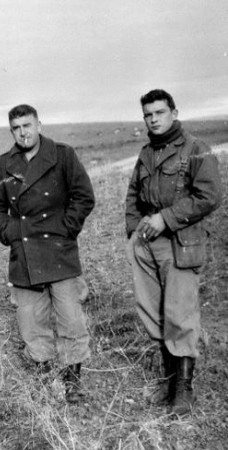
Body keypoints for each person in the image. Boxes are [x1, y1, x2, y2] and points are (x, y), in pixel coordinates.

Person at [0, 104, 95, 403]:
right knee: (32, 322)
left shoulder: (63, 154)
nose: (23, 133)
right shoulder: (3, 164)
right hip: (25, 255)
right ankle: (45, 378)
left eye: (27, 125)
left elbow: (84, 196)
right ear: (12, 131)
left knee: (71, 319)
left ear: (39, 124)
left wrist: (66, 228)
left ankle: (73, 381)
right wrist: (11, 234)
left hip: (59, 251)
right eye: (16, 128)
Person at [125, 89, 222, 416]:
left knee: (179, 313)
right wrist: (133, 233)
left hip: (181, 242)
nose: (153, 119)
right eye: (148, 115)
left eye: (159, 112)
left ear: (174, 112)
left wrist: (164, 219)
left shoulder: (196, 149)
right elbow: (133, 195)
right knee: (153, 312)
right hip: (146, 244)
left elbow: (209, 196)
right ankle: (168, 379)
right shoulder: (145, 154)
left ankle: (183, 389)